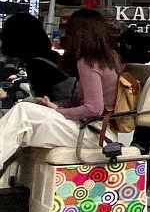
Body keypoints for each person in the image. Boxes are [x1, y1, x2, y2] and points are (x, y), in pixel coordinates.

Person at [0, 9, 123, 168]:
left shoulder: (87, 62)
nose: (65, 36)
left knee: (23, 112)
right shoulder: (105, 59)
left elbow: (94, 109)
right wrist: (55, 106)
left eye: (69, 31)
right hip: (98, 130)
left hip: (93, 133)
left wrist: (59, 111)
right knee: (26, 112)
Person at [0, 11, 73, 103]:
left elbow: (42, 101)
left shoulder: (37, 64)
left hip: (61, 111)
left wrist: (7, 96)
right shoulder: (51, 55)